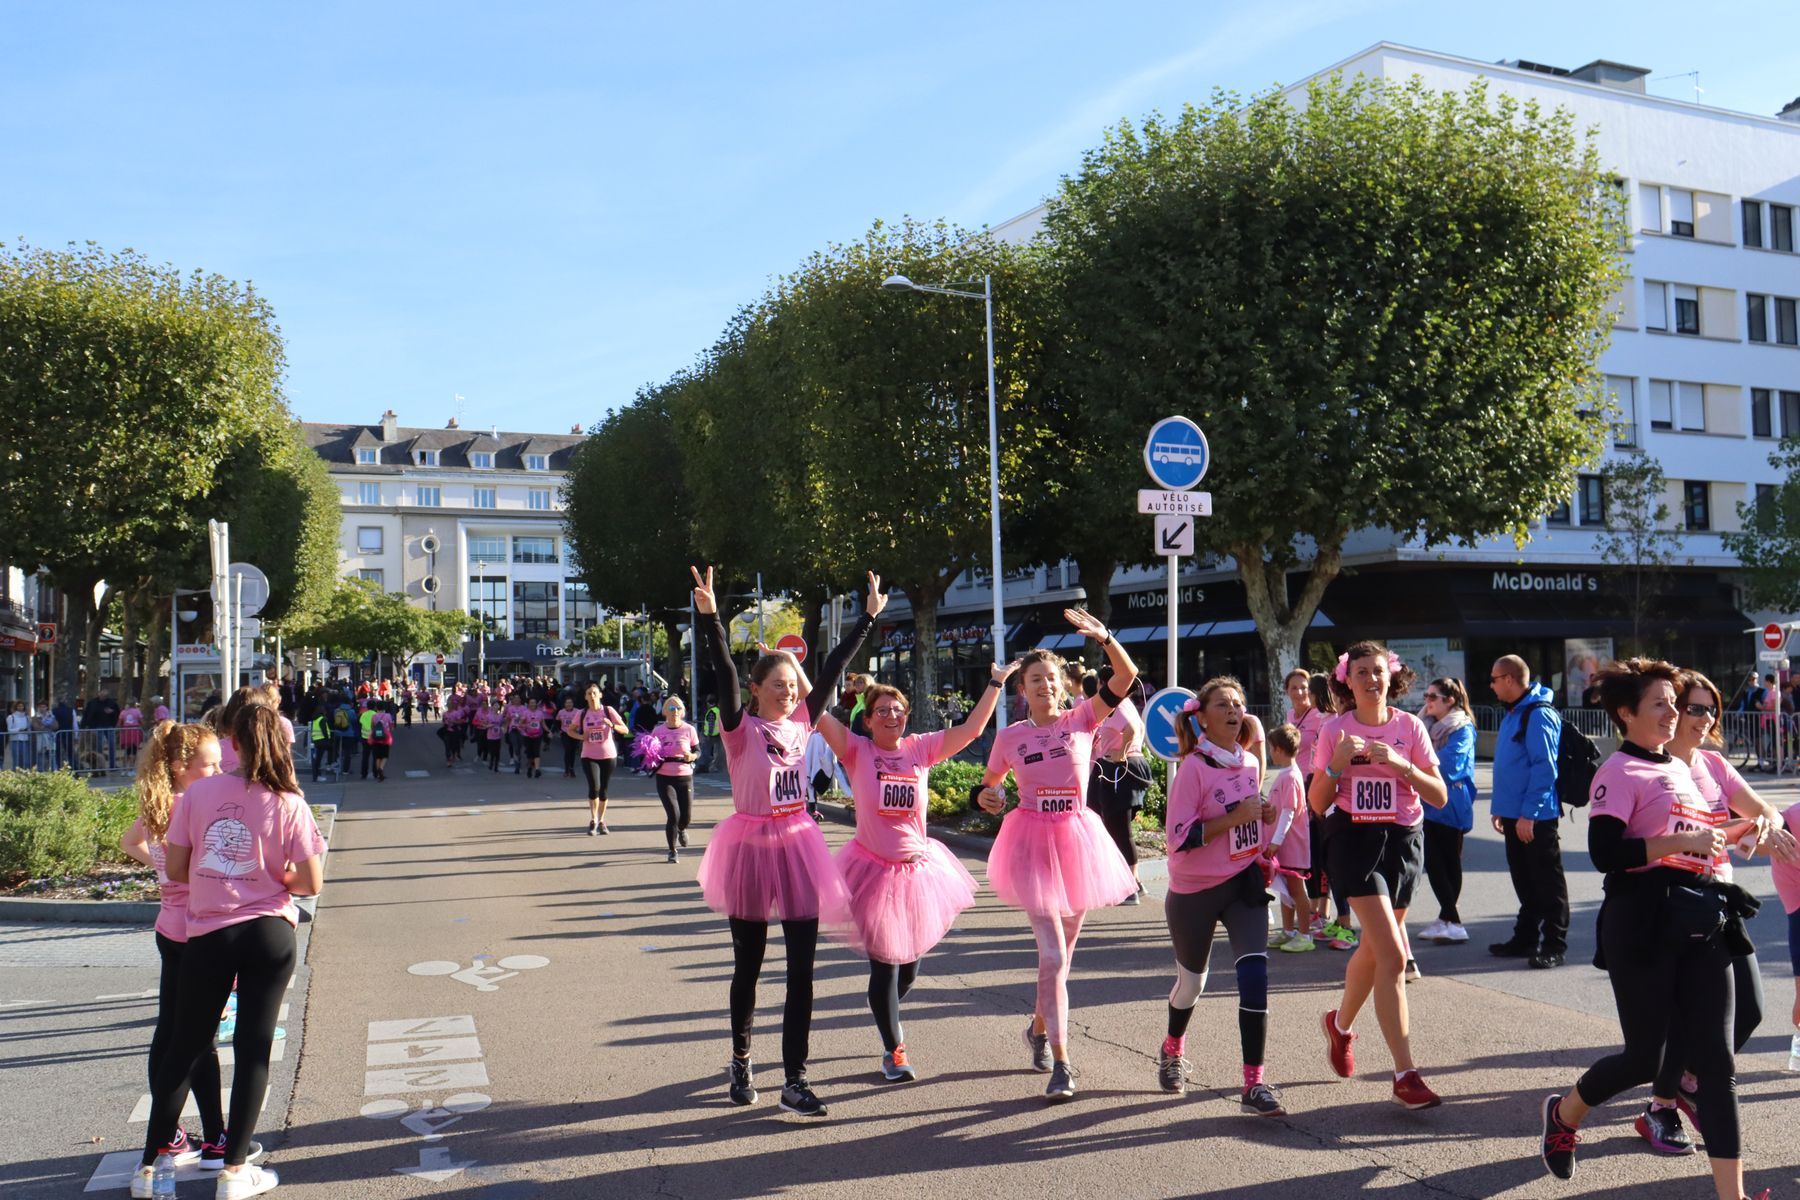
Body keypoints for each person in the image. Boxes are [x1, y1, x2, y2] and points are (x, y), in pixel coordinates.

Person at [1538, 659, 1762, 1200]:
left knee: (1718, 1065)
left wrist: (1736, 831)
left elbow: (1695, 838)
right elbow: (1605, 853)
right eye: (1659, 704)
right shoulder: (1617, 772)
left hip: (1702, 916)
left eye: (1674, 704)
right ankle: (1564, 1114)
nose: (1672, 713)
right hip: (1641, 921)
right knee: (1646, 1059)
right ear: (1626, 713)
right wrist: (1682, 843)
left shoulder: (1681, 769)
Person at [691, 564, 873, 1119]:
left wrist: (868, 617)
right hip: (749, 847)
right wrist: (711, 617)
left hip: (798, 844)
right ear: (756, 689)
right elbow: (723, 668)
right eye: (779, 684)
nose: (789, 691)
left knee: (802, 972)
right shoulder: (739, 730)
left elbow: (834, 666)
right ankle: (741, 1059)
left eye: (793, 685)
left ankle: (795, 1079)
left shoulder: (802, 723)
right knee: (748, 966)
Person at [132, 704, 324, 1200]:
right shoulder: (289, 801)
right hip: (269, 931)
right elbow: (310, 883)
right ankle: (234, 1171)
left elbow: (177, 869)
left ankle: (150, 1168)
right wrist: (268, 875)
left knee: (185, 1045)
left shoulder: (198, 794)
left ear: (233, 743)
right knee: (253, 1048)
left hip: (208, 933)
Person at [976, 608, 1139, 1103]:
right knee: (1051, 955)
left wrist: (1105, 637)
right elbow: (988, 786)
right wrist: (989, 798)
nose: (1045, 685)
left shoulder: (1083, 718)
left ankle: (1037, 1029)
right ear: (1022, 690)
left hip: (1077, 844)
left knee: (1061, 958)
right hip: (1030, 843)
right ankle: (1064, 1063)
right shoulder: (1010, 737)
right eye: (1035, 680)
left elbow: (1125, 676)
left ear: (1063, 684)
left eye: (1051, 677)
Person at [1636, 670, 1800, 1156]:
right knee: (1685, 1014)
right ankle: (1660, 1106)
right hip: (1670, 905)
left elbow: (1764, 810)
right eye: (1694, 708)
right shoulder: (1654, 768)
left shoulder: (1713, 764)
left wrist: (1764, 827)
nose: (1704, 718)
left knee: (1749, 1008)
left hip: (1719, 901)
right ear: (1672, 710)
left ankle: (1686, 1081)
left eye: (1711, 709)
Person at [825, 664, 1012, 1082]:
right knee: (886, 966)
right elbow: (817, 712)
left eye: (898, 709)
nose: (892, 715)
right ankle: (894, 1050)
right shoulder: (856, 750)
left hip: (917, 874)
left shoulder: (919, 749)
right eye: (882, 710)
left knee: (908, 971)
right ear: (867, 719)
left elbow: (972, 730)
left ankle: (884, 1006)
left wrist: (995, 682)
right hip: (871, 873)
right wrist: (796, 671)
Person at [1311, 641, 1448, 1110]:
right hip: (1354, 840)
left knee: (1373, 950)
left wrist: (1401, 765)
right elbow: (1317, 802)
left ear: (1391, 678)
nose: (1371, 679)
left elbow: (1439, 796)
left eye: (1378, 671)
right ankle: (1405, 1074)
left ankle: (1339, 1026)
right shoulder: (1335, 729)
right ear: (1347, 682)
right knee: (1392, 954)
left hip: (1404, 841)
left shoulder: (1410, 727)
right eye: (1361, 672)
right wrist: (1337, 764)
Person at [1160, 677, 1287, 1114]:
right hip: (1194, 891)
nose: (1234, 710)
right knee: (1192, 985)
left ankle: (1254, 1084)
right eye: (1223, 705)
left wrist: (1264, 816)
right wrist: (1234, 818)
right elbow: (1177, 839)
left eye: (1238, 703)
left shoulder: (1249, 763)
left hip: (1241, 884)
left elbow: (1248, 825)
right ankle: (1173, 1047)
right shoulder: (1192, 769)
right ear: (1202, 718)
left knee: (1254, 976)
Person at [119, 721, 233, 1176]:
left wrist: (162, 869)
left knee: (168, 1034)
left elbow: (129, 843)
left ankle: (171, 1136)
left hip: (169, 928)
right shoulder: (195, 805)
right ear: (181, 765)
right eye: (211, 764)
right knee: (201, 1040)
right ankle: (216, 1138)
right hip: (200, 929)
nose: (220, 771)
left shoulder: (161, 803)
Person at [1488, 655, 1569, 969]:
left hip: (1535, 816)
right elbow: (1511, 765)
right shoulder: (1515, 712)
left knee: (1547, 882)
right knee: (1524, 879)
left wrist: (1529, 814)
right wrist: (1501, 808)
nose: (1491, 685)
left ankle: (1554, 944)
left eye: (1494, 679)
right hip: (1516, 813)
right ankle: (1525, 938)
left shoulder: (1538, 713)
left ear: (1509, 679)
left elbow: (1544, 768)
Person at [1419, 678, 1477, 945]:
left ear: (1450, 700)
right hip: (1429, 800)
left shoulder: (1462, 727)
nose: (1427, 701)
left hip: (1451, 802)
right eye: (1426, 696)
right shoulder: (1426, 724)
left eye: (1433, 697)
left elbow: (1450, 764)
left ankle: (1453, 921)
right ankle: (1447, 919)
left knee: (1446, 860)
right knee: (1435, 861)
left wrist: (1418, 764)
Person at [1086, 668, 1151, 903]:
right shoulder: (1125, 704)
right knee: (1104, 823)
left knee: (1119, 829)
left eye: (1098, 684)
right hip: (1117, 767)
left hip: (1119, 768)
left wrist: (1121, 753)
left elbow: (1131, 729)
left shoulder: (1117, 704)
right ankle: (1126, 881)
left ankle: (1130, 886)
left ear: (1105, 684)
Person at [1306, 672, 1358, 952]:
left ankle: (1348, 927)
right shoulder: (1331, 725)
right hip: (1328, 805)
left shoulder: (1342, 726)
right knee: (1331, 865)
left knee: (1341, 869)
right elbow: (1322, 770)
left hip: (1346, 812)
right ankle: (1341, 921)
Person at [1264, 724, 1315, 953]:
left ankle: (1304, 934)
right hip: (1284, 846)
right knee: (1285, 890)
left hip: (1292, 845)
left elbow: (1288, 812)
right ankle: (1288, 931)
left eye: (1271, 748)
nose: (1270, 752)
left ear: (1279, 749)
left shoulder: (1291, 776)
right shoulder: (1287, 774)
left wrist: (1276, 841)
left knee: (1296, 890)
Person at [644, 697, 701, 861]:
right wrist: (650, 756)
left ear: (682, 712)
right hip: (665, 777)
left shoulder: (689, 729)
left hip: (685, 777)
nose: (675, 711)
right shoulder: (658, 731)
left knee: (686, 817)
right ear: (664, 712)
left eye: (678, 708)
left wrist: (692, 756)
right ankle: (672, 850)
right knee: (673, 815)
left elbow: (698, 750)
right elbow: (649, 752)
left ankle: (682, 829)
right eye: (671, 708)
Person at [579, 685, 628, 834]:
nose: (592, 695)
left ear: (600, 695)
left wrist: (612, 725)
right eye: (589, 693)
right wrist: (581, 736)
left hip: (608, 755)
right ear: (585, 697)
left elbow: (625, 729)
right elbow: (570, 730)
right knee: (594, 787)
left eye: (595, 693)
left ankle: (601, 821)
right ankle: (593, 819)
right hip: (588, 755)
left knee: (604, 790)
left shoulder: (608, 711)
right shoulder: (582, 713)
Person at [367, 702, 395, 783]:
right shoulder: (388, 715)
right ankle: (381, 768)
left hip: (376, 737)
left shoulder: (374, 716)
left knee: (377, 756)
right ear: (384, 708)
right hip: (385, 738)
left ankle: (379, 774)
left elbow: (372, 727)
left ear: (376, 708)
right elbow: (391, 727)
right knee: (385, 755)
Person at [557, 695, 583, 778]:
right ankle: (566, 769)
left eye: (570, 702)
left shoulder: (578, 712)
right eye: (567, 703)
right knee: (567, 749)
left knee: (572, 751)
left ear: (573, 703)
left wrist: (580, 731)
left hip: (575, 733)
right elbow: (557, 721)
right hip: (565, 733)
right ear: (564, 704)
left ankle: (571, 768)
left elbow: (582, 722)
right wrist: (559, 730)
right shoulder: (561, 712)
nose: (569, 704)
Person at [698, 695, 722, 773]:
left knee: (706, 752)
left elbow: (711, 724)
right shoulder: (717, 711)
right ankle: (712, 767)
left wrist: (709, 734)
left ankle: (705, 767)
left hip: (710, 735)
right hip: (717, 734)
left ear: (708, 703)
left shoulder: (711, 712)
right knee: (716, 753)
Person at [119, 698, 145, 762]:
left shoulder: (123, 712)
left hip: (126, 731)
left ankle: (125, 764)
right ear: (134, 704)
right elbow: (142, 721)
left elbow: (120, 722)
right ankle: (132, 765)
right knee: (134, 748)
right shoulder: (137, 711)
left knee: (127, 748)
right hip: (135, 731)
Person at [7, 700, 30, 769]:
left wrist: (27, 731)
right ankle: (16, 773)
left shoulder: (27, 717)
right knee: (16, 760)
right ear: (16, 707)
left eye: (22, 706)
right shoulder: (11, 717)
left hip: (25, 740)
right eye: (19, 706)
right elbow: (9, 730)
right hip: (15, 740)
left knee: (25, 760)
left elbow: (29, 728)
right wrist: (19, 729)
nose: (21, 707)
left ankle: (25, 773)